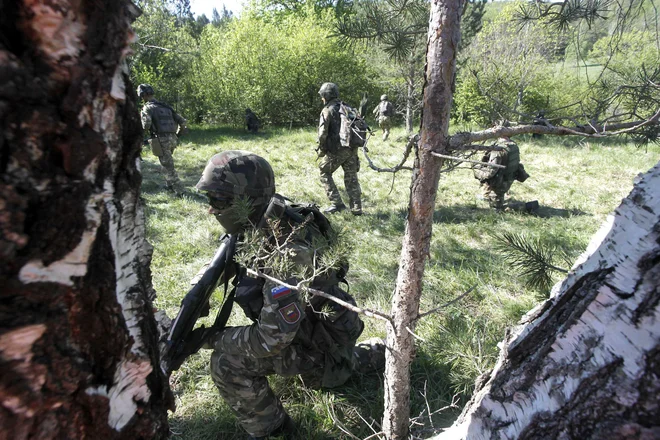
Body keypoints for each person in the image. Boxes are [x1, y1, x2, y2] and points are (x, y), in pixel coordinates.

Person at [195, 150, 384, 439]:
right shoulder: (265, 218)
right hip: (313, 329)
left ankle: (275, 431)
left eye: (218, 201)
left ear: (247, 200)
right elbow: (230, 258)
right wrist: (199, 294)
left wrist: (207, 338)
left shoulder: (287, 252)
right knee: (328, 372)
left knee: (226, 362)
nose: (211, 209)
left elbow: (269, 340)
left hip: (320, 341)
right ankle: (364, 356)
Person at [316, 82, 363, 216]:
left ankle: (337, 204)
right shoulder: (347, 107)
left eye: (322, 96)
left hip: (337, 150)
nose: (321, 98)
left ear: (326, 95)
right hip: (352, 149)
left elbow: (322, 133)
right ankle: (356, 207)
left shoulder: (328, 109)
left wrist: (322, 149)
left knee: (324, 171)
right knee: (351, 177)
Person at [137, 84, 187, 195]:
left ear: (143, 95)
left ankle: (180, 191)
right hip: (173, 139)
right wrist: (177, 135)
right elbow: (183, 122)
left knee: (168, 167)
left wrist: (139, 136)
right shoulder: (166, 107)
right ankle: (169, 186)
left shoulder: (147, 108)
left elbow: (146, 125)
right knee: (166, 163)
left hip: (160, 139)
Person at [473, 137, 538, 213]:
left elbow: (490, 172)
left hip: (499, 183)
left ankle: (528, 206)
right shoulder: (513, 145)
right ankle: (487, 196)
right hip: (509, 179)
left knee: (496, 209)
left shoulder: (498, 149)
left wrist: (477, 172)